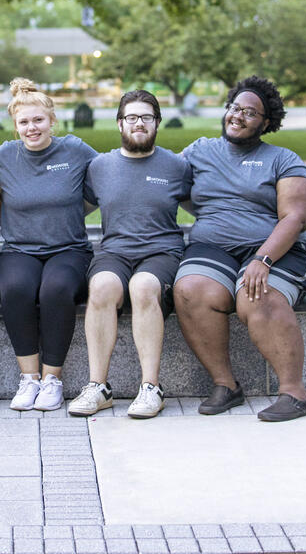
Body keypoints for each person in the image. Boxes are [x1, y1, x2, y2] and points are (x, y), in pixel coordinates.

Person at [173, 75, 306, 422]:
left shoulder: (282, 159)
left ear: (266, 123)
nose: (238, 116)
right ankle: (226, 385)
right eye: (235, 108)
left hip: (276, 250)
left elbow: (296, 217)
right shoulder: (199, 151)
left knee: (258, 293)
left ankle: (295, 393)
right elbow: (165, 181)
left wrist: (262, 258)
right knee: (190, 289)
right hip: (214, 247)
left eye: (250, 113)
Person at [68, 90, 192, 418]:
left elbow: (202, 206)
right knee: (102, 287)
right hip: (115, 251)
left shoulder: (177, 166)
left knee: (142, 287)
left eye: (147, 117)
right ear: (120, 123)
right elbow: (77, 207)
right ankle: (99, 387)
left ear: (157, 123)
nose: (139, 123)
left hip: (161, 251)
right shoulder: (99, 167)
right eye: (132, 117)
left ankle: (151, 387)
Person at [0, 78, 97, 411]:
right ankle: (29, 379)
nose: (32, 127)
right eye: (24, 122)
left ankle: (52, 380)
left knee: (55, 289)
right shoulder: (5, 156)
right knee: (17, 288)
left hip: (69, 248)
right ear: (15, 126)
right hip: (20, 249)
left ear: (52, 120)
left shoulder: (75, 150)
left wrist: (68, 212)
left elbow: (107, 178)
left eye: (38, 120)